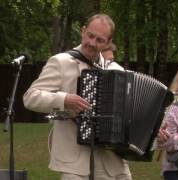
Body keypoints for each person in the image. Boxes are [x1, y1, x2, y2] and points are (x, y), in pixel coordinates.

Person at [23, 14, 132, 180]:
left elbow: (129, 111)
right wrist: (64, 100)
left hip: (111, 161)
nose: (92, 43)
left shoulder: (116, 71)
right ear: (83, 31)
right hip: (75, 162)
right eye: (90, 36)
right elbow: (31, 97)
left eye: (100, 40)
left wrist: (151, 129)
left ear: (108, 43)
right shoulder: (61, 62)